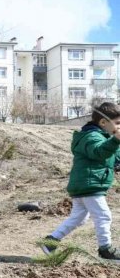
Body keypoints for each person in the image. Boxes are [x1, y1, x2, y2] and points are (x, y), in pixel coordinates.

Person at [41, 102, 120, 261]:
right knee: (103, 215)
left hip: (85, 185)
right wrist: (115, 140)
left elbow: (113, 156)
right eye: (118, 123)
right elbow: (99, 152)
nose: (119, 126)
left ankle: (50, 242)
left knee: (79, 218)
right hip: (90, 184)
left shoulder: (103, 137)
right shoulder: (91, 137)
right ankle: (105, 249)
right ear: (103, 122)